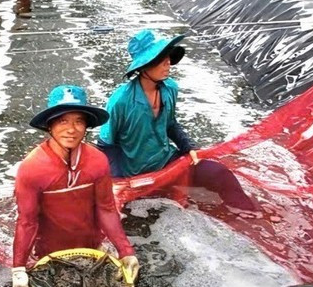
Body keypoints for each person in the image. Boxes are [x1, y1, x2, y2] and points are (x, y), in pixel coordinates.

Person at [98, 29, 255, 210]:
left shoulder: (170, 88)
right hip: (134, 172)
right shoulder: (120, 101)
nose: (168, 63)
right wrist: (119, 182)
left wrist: (188, 147)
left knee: (220, 173)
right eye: (160, 59)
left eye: (168, 57)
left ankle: (251, 217)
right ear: (144, 66)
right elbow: (105, 145)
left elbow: (170, 124)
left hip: (167, 161)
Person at [12, 85, 139, 287]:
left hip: (92, 251)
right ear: (49, 125)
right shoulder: (31, 168)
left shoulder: (98, 161)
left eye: (79, 121)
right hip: (48, 257)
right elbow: (27, 221)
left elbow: (106, 209)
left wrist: (126, 251)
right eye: (63, 121)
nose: (71, 129)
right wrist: (18, 268)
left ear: (87, 126)